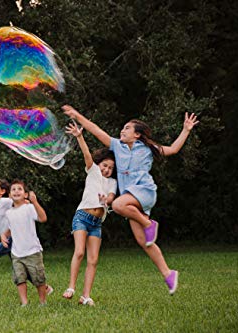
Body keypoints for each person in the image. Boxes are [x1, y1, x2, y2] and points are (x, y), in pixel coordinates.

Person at [63, 105, 199, 295]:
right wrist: (77, 115)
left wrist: (186, 129)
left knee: (118, 204)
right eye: (123, 127)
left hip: (144, 192)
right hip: (131, 199)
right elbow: (95, 129)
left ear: (137, 134)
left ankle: (148, 223)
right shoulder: (117, 146)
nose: (122, 130)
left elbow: (174, 149)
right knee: (144, 241)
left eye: (127, 128)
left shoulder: (148, 149)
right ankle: (168, 273)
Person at [62, 121, 117, 306]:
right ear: (99, 163)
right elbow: (86, 154)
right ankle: (71, 287)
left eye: (110, 168)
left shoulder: (112, 183)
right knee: (79, 252)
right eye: (105, 165)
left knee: (93, 260)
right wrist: (79, 136)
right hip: (82, 217)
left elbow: (110, 198)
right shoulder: (93, 171)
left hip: (96, 223)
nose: (107, 170)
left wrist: (105, 200)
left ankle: (85, 296)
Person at [0, 180, 48, 306]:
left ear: (26, 194)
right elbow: (11, 228)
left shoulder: (29, 208)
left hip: (33, 251)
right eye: (13, 189)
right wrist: (3, 236)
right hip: (16, 252)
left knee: (38, 279)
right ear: (10, 195)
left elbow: (43, 218)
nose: (16, 191)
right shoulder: (9, 213)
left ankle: (43, 302)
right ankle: (24, 303)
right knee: (19, 279)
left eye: (19, 189)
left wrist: (35, 202)